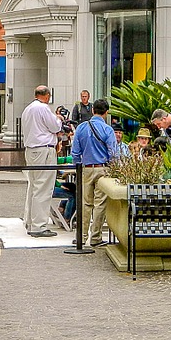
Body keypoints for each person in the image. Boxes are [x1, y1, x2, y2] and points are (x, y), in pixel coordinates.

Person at [70, 98, 116, 247]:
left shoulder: (82, 128)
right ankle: (95, 237)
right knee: (100, 204)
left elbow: (75, 152)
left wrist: (78, 166)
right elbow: (113, 152)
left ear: (92, 110)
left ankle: (81, 236)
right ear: (106, 112)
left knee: (85, 203)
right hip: (103, 168)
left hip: (86, 168)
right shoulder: (108, 129)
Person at [21, 85, 63, 237]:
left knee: (34, 186)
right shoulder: (43, 108)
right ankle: (39, 226)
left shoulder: (28, 109)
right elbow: (54, 126)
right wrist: (58, 119)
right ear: (47, 96)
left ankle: (31, 222)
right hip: (43, 150)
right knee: (43, 188)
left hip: (31, 150)